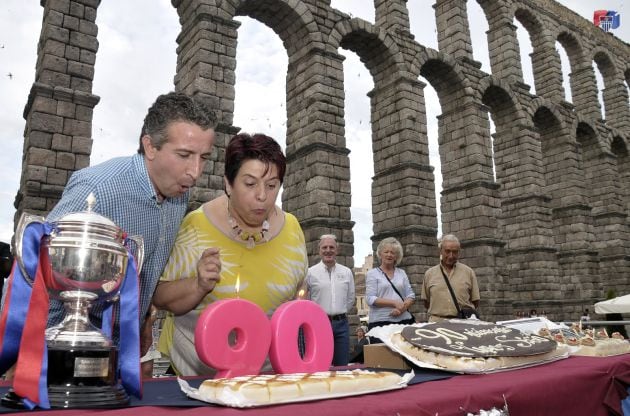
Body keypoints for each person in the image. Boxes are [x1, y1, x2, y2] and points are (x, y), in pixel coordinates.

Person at [45, 91, 217, 369]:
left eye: (204, 157)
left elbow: (144, 276)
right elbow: (38, 272)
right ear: (150, 146)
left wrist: (143, 329)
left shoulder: (179, 195)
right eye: (184, 155)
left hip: (119, 353)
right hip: (59, 352)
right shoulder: (98, 189)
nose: (195, 172)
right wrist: (25, 355)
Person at [153, 133, 308, 376]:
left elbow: (299, 293)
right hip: (197, 378)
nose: (262, 196)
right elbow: (160, 296)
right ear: (228, 184)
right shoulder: (196, 226)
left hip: (266, 378)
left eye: (271, 185)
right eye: (250, 183)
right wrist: (198, 284)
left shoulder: (292, 228)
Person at [306, 234, 355, 366]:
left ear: (337, 250)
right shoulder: (310, 273)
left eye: (332, 247)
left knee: (342, 365)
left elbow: (350, 298)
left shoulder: (346, 272)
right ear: (319, 250)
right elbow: (307, 299)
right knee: (320, 365)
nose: (328, 250)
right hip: (319, 323)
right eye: (325, 247)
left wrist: (338, 311)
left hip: (341, 324)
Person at [421, 234, 480, 322]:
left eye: (455, 252)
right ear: (440, 251)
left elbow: (475, 301)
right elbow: (426, 302)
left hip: (463, 323)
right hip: (437, 324)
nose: (451, 255)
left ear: (459, 252)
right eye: (447, 251)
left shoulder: (469, 272)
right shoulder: (429, 274)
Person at [365, 237, 415, 334]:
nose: (389, 255)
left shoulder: (402, 273)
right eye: (386, 252)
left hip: (403, 321)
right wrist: (394, 303)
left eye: (393, 252)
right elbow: (370, 299)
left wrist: (401, 309)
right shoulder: (372, 274)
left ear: (397, 256)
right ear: (380, 254)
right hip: (380, 323)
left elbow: (411, 296)